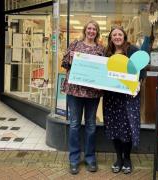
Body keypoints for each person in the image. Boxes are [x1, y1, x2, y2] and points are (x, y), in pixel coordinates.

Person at [61, 20, 104, 175]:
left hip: (92, 93)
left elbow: (105, 70)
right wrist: (71, 58)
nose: (91, 31)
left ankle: (90, 158)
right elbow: (64, 63)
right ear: (85, 30)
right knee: (74, 124)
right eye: (89, 28)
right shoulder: (75, 44)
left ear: (97, 32)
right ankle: (74, 160)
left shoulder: (101, 49)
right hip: (75, 91)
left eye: (94, 29)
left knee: (91, 125)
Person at [103, 26, 146, 174]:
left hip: (128, 96)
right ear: (111, 38)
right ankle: (118, 158)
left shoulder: (132, 50)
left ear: (124, 36)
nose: (117, 37)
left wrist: (139, 83)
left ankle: (127, 158)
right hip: (112, 97)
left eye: (119, 34)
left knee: (127, 127)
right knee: (115, 126)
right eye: (114, 34)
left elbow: (142, 69)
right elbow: (101, 71)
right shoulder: (107, 52)